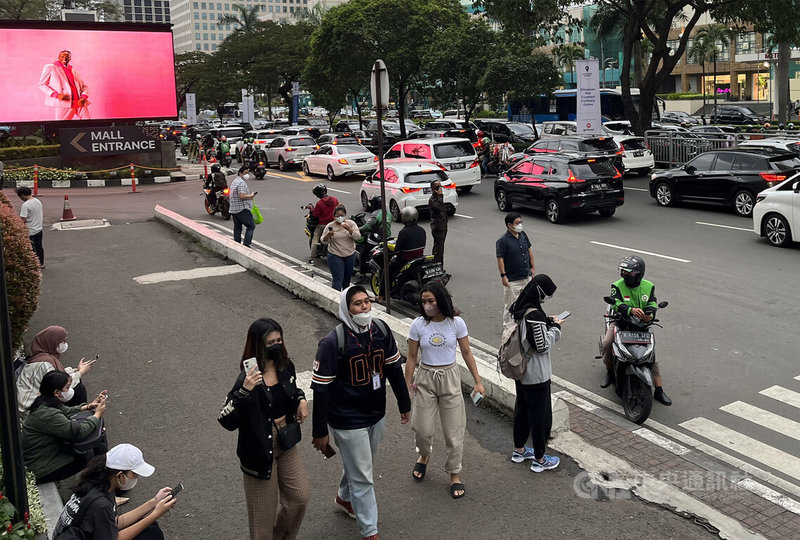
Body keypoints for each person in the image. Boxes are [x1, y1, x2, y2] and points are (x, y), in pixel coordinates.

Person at [311, 286, 410, 540]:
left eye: (367, 302)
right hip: (346, 419)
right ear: (347, 309)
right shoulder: (333, 343)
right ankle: (370, 530)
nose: (364, 307)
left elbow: (394, 369)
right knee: (364, 476)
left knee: (362, 466)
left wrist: (404, 403)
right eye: (357, 304)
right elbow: (321, 391)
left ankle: (344, 498)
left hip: (375, 414)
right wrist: (320, 431)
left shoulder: (381, 331)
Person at [218, 318, 310, 540]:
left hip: (285, 441)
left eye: (279, 340)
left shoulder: (286, 367)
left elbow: (292, 391)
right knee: (262, 522)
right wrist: (245, 392)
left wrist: (301, 399)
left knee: (300, 497)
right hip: (259, 451)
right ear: (258, 345)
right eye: (271, 343)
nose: (277, 345)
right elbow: (226, 420)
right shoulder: (247, 379)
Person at [404, 282, 484, 499]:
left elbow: (466, 352)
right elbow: (411, 357)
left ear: (441, 300)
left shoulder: (456, 323)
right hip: (425, 377)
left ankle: (454, 473)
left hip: (449, 377)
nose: (427, 305)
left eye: (431, 301)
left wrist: (478, 382)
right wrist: (406, 385)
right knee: (421, 428)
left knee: (454, 432)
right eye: (424, 302)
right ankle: (424, 455)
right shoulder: (418, 325)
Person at [52, 444, 176, 540]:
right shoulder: (100, 504)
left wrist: (154, 502)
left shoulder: (97, 484)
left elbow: (114, 523)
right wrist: (155, 514)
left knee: (150, 527)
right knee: (152, 534)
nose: (136, 477)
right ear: (120, 475)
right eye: (134, 474)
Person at [508, 275, 563, 472]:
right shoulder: (535, 315)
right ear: (540, 291)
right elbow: (542, 345)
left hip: (521, 372)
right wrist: (555, 328)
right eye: (547, 295)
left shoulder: (521, 308)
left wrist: (546, 322)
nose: (546, 298)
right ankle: (540, 460)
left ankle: (519, 449)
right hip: (536, 375)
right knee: (540, 418)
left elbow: (529, 333)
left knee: (522, 412)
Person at [600, 255, 672, 406]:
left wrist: (650, 314)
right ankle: (609, 371)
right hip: (620, 322)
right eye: (624, 272)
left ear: (639, 273)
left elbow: (652, 302)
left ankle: (658, 390)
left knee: (652, 356)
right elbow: (616, 303)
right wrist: (630, 310)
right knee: (607, 343)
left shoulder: (649, 286)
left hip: (642, 326)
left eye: (629, 272)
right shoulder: (617, 285)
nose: (625, 275)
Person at [21, 371, 107, 483]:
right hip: (42, 466)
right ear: (56, 392)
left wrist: (88, 406)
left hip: (45, 454)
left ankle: (104, 482)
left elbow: (66, 411)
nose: (69, 390)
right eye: (67, 387)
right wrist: (97, 415)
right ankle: (101, 485)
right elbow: (78, 432)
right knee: (90, 454)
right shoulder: (48, 414)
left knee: (96, 440)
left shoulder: (44, 402)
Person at [16, 325, 92, 417]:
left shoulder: (41, 357)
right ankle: (80, 418)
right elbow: (60, 384)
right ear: (52, 342)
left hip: (31, 403)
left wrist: (76, 370)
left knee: (76, 383)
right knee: (78, 389)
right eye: (63, 341)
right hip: (30, 410)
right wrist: (80, 373)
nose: (65, 344)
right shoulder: (44, 363)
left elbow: (57, 375)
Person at [496, 212, 535, 328]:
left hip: (526, 276)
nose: (520, 225)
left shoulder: (523, 235)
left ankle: (523, 325)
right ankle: (508, 328)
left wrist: (532, 268)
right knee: (511, 305)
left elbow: (529, 251)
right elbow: (500, 258)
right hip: (512, 280)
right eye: (517, 223)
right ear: (509, 225)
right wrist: (503, 275)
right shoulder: (502, 241)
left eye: (520, 222)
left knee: (527, 303)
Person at [378, 206, 426, 300]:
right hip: (419, 258)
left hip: (405, 260)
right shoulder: (422, 230)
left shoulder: (403, 232)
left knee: (386, 270)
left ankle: (381, 296)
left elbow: (397, 249)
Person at [38, 50, 90, 120]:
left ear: (70, 58)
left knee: (88, 123)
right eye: (62, 56)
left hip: (79, 103)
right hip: (64, 103)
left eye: (67, 57)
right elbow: (42, 84)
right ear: (58, 57)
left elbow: (84, 86)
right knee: (61, 126)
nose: (64, 58)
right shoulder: (50, 67)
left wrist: (84, 96)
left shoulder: (74, 71)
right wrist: (56, 95)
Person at [321, 205, 362, 291]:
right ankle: (336, 298)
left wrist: (349, 229)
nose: (340, 218)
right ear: (334, 216)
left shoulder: (351, 224)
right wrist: (328, 235)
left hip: (349, 255)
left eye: (342, 215)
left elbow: (358, 237)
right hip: (335, 255)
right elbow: (323, 241)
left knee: (346, 280)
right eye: (337, 216)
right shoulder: (330, 225)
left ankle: (345, 298)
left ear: (345, 215)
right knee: (338, 278)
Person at [356, 195, 392, 278]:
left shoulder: (375, 214)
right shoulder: (388, 212)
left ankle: (362, 273)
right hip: (386, 237)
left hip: (376, 239)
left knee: (363, 254)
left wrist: (359, 229)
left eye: (372, 203)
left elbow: (368, 226)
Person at [305, 184, 339, 264]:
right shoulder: (334, 199)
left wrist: (311, 208)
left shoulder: (319, 203)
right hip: (334, 223)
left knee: (315, 238)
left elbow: (315, 215)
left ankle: (311, 258)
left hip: (323, 225)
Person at [16, 186, 44, 267]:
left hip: (30, 230)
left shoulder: (25, 205)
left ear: (22, 195)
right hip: (39, 229)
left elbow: (23, 219)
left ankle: (33, 265)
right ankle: (41, 263)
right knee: (39, 247)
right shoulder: (37, 201)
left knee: (31, 248)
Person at [229, 166, 257, 247]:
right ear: (240, 173)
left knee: (237, 228)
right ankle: (246, 245)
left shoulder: (235, 181)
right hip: (242, 208)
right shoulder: (241, 183)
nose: (247, 175)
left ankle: (237, 245)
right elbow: (241, 196)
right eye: (245, 173)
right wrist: (250, 196)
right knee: (251, 226)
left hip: (234, 209)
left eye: (248, 173)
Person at [428, 180, 448, 266]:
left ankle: (435, 264)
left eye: (440, 186)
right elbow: (439, 208)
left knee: (438, 248)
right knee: (439, 249)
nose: (439, 188)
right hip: (438, 227)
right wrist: (440, 195)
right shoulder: (433, 199)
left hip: (442, 226)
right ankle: (439, 267)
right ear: (432, 188)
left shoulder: (438, 198)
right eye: (437, 186)